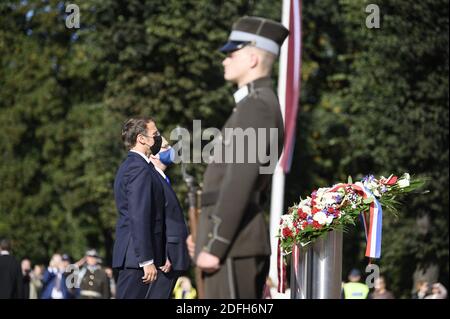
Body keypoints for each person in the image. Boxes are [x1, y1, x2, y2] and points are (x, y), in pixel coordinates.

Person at [187, 16, 289, 298]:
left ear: (253, 58)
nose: (225, 61)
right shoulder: (253, 104)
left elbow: (240, 180)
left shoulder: (256, 106)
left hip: (233, 245)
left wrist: (216, 243)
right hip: (234, 241)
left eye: (232, 53)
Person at [112, 117, 166, 299]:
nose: (159, 138)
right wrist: (146, 260)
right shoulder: (138, 168)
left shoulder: (135, 166)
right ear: (141, 138)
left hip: (135, 258)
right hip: (137, 259)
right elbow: (139, 215)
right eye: (155, 134)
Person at [147, 138, 190, 298]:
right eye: (165, 147)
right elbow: (155, 219)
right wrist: (163, 252)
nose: (170, 149)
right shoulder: (153, 179)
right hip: (165, 258)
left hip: (173, 254)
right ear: (153, 156)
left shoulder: (162, 178)